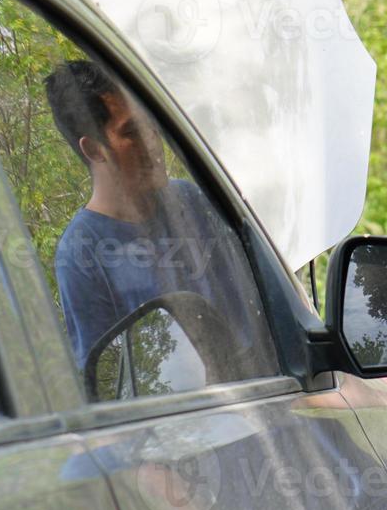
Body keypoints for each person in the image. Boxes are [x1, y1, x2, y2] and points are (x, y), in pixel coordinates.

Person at [44, 59, 265, 371]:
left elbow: (254, 312)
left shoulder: (191, 202)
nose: (153, 141)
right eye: (132, 131)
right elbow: (105, 380)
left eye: (151, 123)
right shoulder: (80, 254)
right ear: (94, 150)